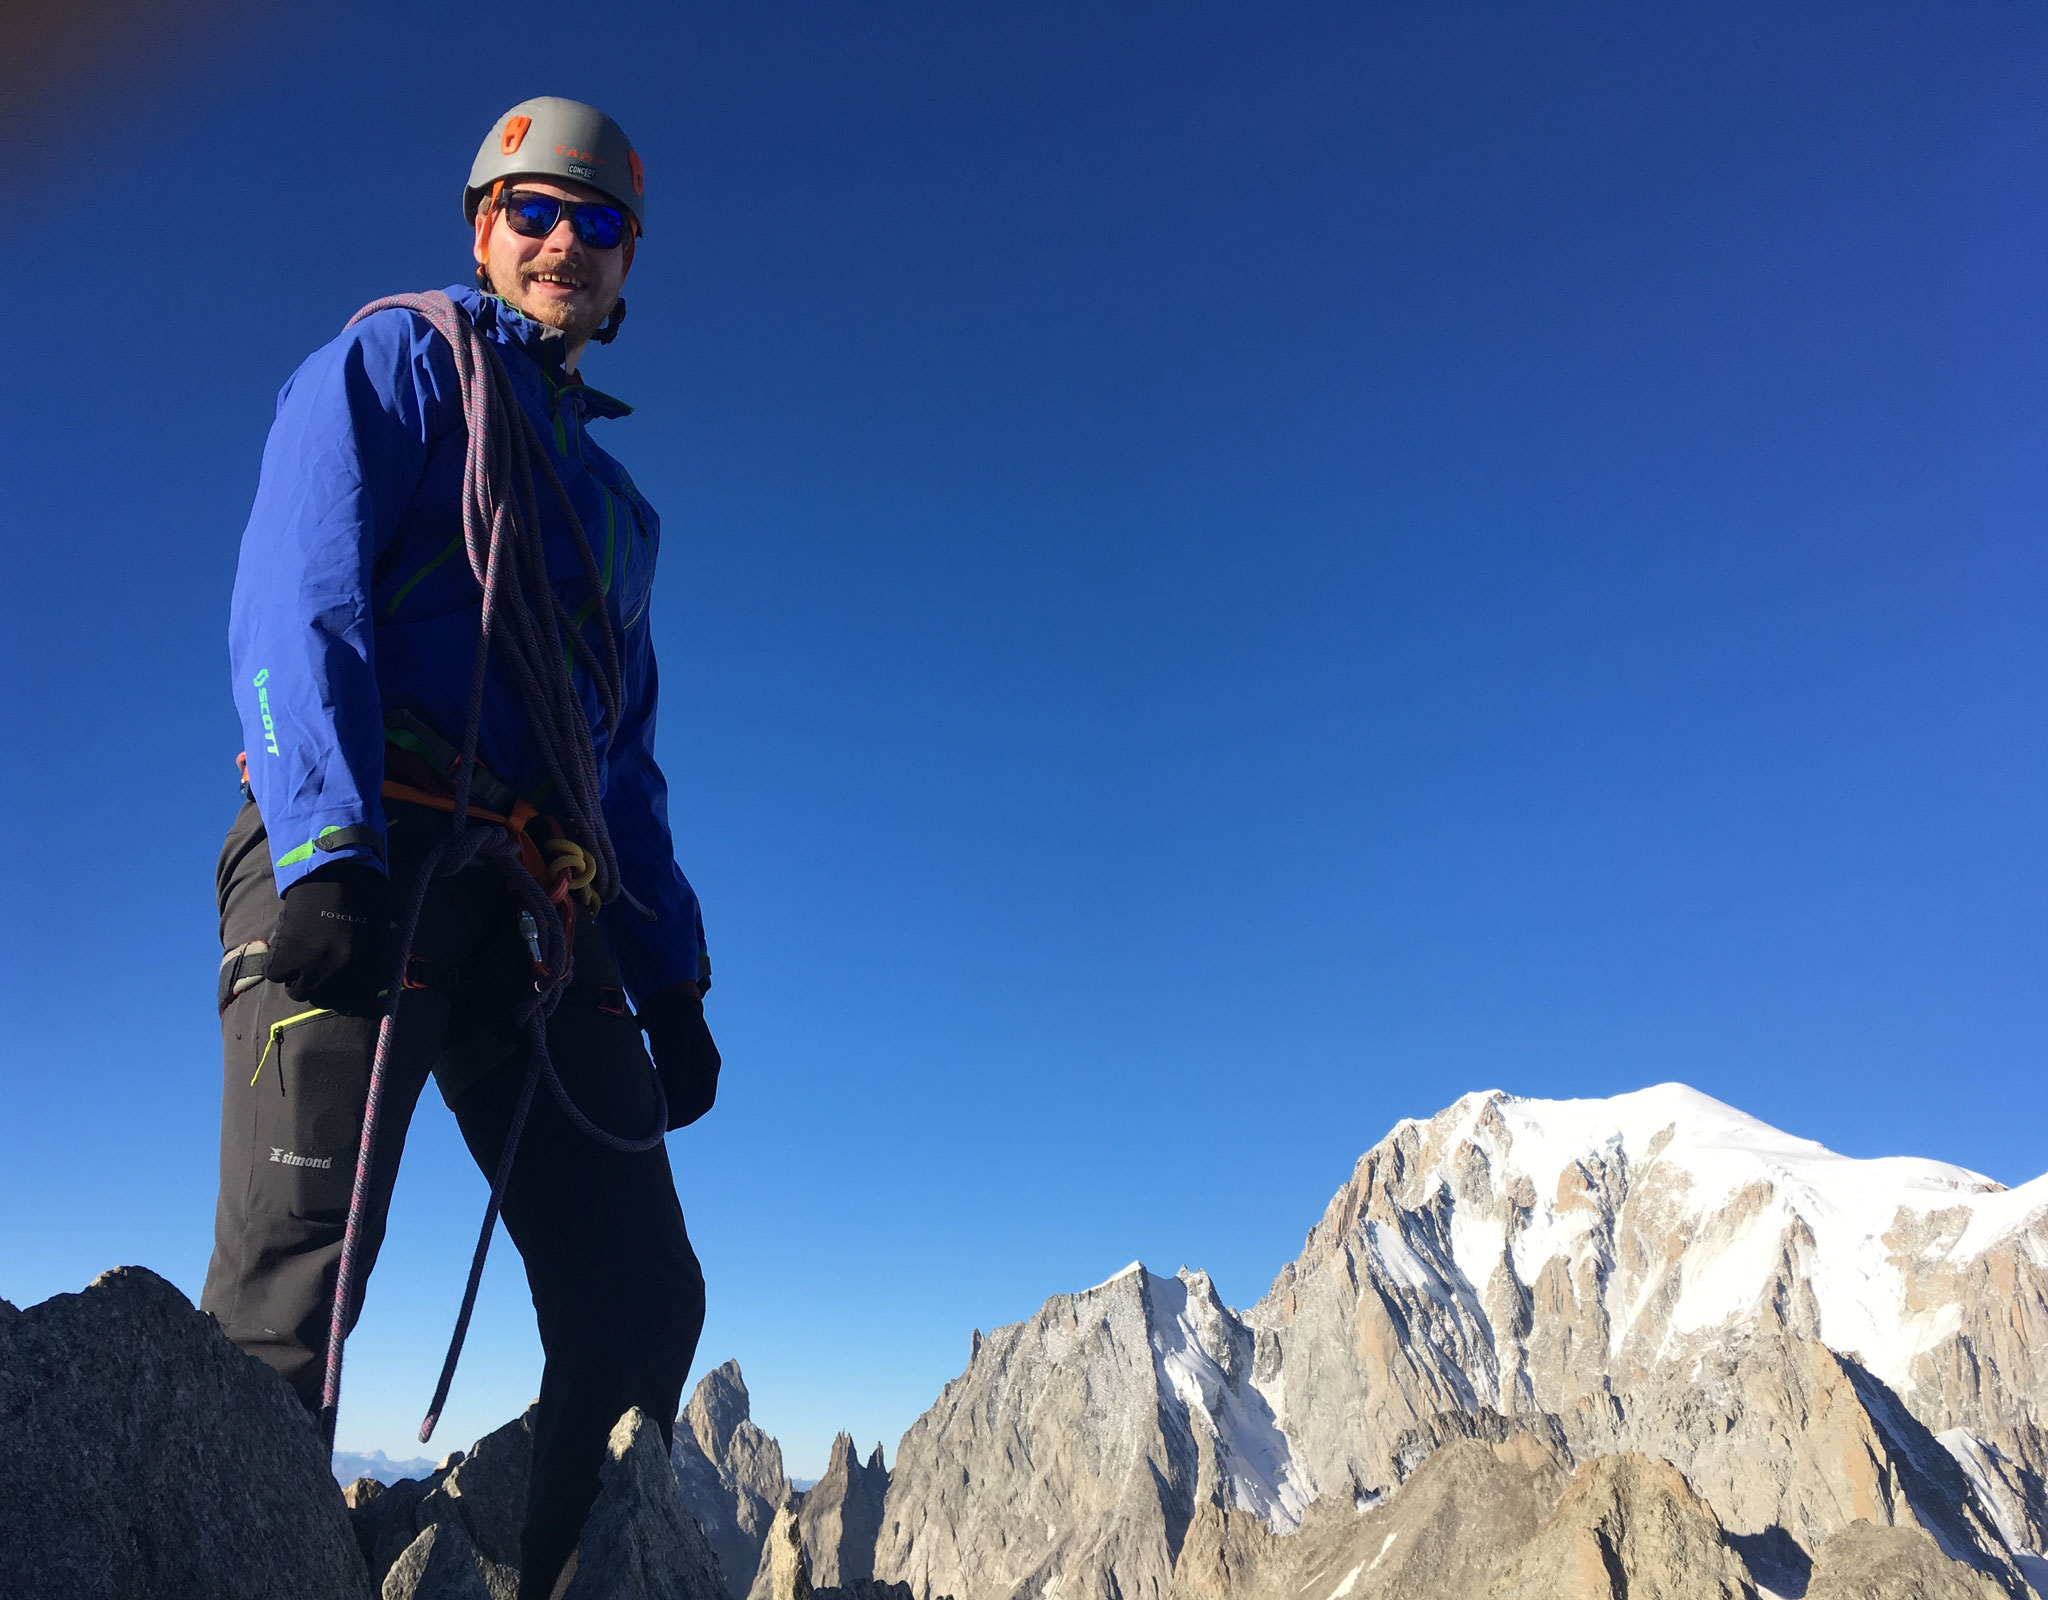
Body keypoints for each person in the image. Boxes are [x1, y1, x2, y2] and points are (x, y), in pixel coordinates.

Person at [202, 96, 718, 1600]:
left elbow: (616, 769)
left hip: (529, 908)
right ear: (484, 227)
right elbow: (297, 598)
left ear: (628, 267)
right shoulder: (395, 366)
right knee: (292, 1299)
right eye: (535, 212)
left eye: (598, 222)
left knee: (638, 1301)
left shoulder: (616, 512)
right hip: (362, 857)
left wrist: (670, 983)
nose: (564, 241)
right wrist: (327, 850)